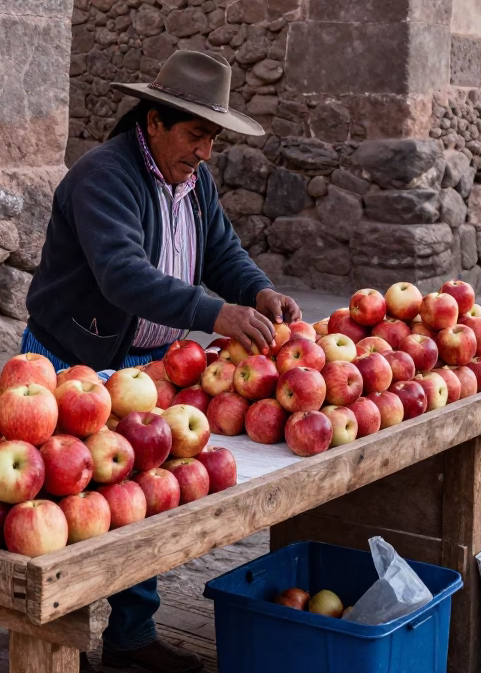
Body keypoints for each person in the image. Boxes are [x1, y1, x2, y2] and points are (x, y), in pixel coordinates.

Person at [24, 50, 301, 673]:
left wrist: (256, 290)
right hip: (72, 361)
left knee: (139, 497)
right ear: (153, 121)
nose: (206, 152)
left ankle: (130, 637)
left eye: (213, 139)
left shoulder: (194, 180)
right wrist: (214, 313)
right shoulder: (105, 176)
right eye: (196, 134)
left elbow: (222, 250)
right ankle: (60, 648)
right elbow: (123, 275)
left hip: (150, 367)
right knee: (69, 508)